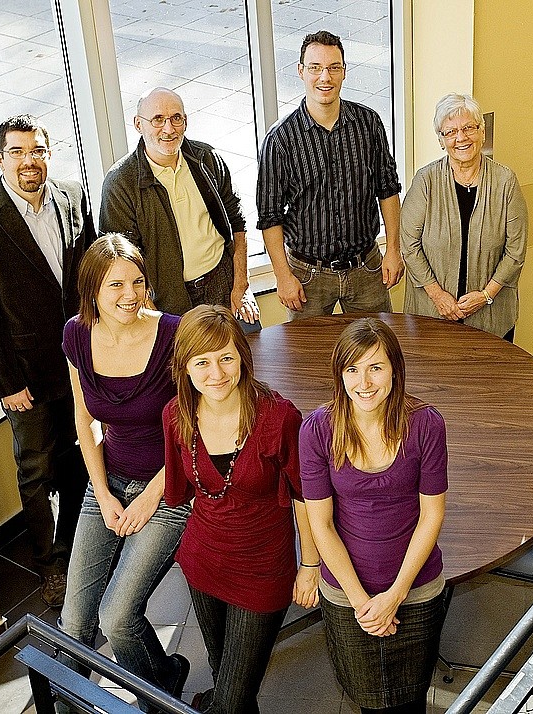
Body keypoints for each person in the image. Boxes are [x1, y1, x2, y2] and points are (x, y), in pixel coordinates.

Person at [0, 114, 93, 607]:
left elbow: (89, 277)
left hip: (76, 363)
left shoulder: (73, 197)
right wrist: (5, 382)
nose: (28, 160)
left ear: (48, 153)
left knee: (78, 456)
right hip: (25, 378)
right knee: (36, 470)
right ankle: (50, 566)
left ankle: (77, 546)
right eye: (16, 152)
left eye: (37, 150)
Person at [163, 305, 319, 713]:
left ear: (242, 358)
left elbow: (304, 495)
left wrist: (310, 565)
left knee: (231, 699)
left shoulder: (278, 417)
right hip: (203, 562)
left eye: (226, 358)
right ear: (184, 367)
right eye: (202, 362)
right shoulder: (176, 416)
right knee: (227, 678)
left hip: (263, 568)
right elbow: (180, 491)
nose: (216, 373)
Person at [58, 235, 190, 711]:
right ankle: (70, 705)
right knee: (75, 621)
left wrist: (150, 498)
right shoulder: (76, 335)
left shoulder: (173, 335)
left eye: (137, 281)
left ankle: (159, 693)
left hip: (169, 486)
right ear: (92, 290)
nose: (130, 294)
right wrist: (103, 493)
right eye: (116, 284)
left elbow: (194, 430)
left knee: (116, 617)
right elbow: (84, 420)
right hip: (109, 480)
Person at [300, 317, 448, 714]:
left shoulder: (426, 424)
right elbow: (321, 524)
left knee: (412, 699)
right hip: (347, 593)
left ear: (395, 370)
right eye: (352, 369)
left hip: (416, 588)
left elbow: (431, 516)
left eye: (375, 367)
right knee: (368, 703)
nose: (364, 383)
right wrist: (362, 603)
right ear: (339, 374)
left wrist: (396, 594)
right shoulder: (316, 430)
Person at [258, 30, 404, 319]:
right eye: (315, 68)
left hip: (366, 269)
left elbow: (387, 189)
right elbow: (269, 215)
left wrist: (393, 250)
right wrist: (282, 276)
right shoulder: (280, 139)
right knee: (309, 349)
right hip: (307, 277)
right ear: (301, 71)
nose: (325, 77)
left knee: (377, 343)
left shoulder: (368, 123)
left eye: (333, 68)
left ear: (344, 72)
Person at [100, 87, 259, 322]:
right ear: (138, 124)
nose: (169, 129)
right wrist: (154, 316)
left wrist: (241, 285)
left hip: (223, 282)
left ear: (186, 121)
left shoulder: (207, 159)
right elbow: (121, 260)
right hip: (167, 300)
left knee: (250, 343)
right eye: (158, 119)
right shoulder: (120, 182)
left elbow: (237, 220)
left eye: (176, 118)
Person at [401, 93, 527, 341]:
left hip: (492, 315)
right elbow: (409, 245)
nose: (461, 138)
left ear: (482, 132)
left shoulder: (506, 182)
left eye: (469, 128)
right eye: (450, 132)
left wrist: (486, 295)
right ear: (441, 140)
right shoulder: (425, 181)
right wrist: (438, 295)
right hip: (431, 312)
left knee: (489, 366)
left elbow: (516, 251)